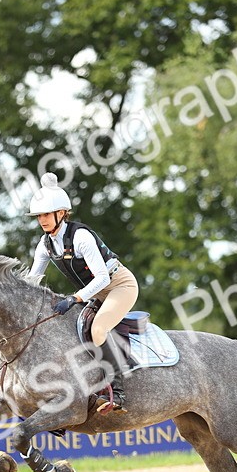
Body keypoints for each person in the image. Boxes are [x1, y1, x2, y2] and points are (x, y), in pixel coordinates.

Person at [27, 171, 139, 412]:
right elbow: (32, 281)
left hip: (119, 285)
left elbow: (100, 278)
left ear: (61, 213)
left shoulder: (80, 237)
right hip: (95, 293)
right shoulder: (45, 244)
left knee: (98, 329)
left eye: (46, 214)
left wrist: (75, 298)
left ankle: (117, 393)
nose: (42, 220)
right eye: (39, 216)